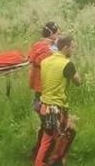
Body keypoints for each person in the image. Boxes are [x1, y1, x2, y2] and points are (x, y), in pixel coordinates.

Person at [34, 35, 81, 166]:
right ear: (65, 48)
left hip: (44, 105)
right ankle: (40, 163)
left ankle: (57, 160)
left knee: (68, 132)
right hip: (54, 108)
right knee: (48, 140)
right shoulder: (67, 64)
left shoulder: (45, 61)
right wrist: (74, 71)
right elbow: (78, 81)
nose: (73, 50)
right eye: (72, 47)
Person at [28, 22, 61, 157]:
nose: (59, 35)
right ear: (51, 34)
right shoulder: (44, 48)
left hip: (42, 89)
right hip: (45, 90)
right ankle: (43, 155)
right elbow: (48, 63)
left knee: (47, 123)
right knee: (50, 124)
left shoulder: (40, 46)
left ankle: (40, 152)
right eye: (58, 33)